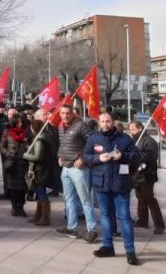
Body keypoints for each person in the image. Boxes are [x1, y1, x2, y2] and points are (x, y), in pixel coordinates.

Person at [83, 112, 141, 264]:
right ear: (99, 123)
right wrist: (98, 158)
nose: (105, 124)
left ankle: (130, 251)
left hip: (120, 184)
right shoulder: (93, 138)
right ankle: (107, 246)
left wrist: (122, 156)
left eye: (108, 121)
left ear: (113, 122)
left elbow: (136, 156)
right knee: (105, 216)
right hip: (101, 184)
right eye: (102, 121)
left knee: (125, 218)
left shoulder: (124, 138)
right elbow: (85, 157)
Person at [55, 104, 97, 242]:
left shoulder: (81, 125)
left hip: (78, 168)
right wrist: (59, 156)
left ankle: (91, 229)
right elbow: (62, 144)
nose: (65, 115)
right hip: (65, 167)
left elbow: (92, 143)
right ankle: (71, 227)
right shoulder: (60, 126)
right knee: (69, 199)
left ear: (73, 113)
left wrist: (83, 159)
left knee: (85, 199)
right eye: (62, 113)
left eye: (67, 113)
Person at [128, 120, 166, 234]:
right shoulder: (135, 140)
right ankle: (142, 220)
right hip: (137, 174)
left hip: (146, 175)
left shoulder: (149, 141)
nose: (131, 132)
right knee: (140, 198)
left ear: (140, 128)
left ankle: (160, 225)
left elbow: (151, 156)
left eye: (133, 130)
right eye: (130, 130)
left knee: (150, 199)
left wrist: (136, 156)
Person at [24, 110, 58, 227]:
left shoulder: (39, 140)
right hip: (42, 169)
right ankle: (38, 215)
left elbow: (37, 156)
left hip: (41, 170)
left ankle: (44, 217)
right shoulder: (43, 137)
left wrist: (25, 155)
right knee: (39, 193)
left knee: (41, 193)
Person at [0, 108, 31, 217]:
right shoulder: (7, 132)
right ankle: (14, 207)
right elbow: (2, 146)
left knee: (22, 188)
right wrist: (8, 153)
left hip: (23, 163)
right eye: (18, 122)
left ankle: (21, 207)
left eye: (21, 122)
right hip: (12, 163)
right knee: (13, 188)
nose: (20, 124)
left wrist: (27, 147)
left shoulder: (26, 133)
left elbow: (31, 145)